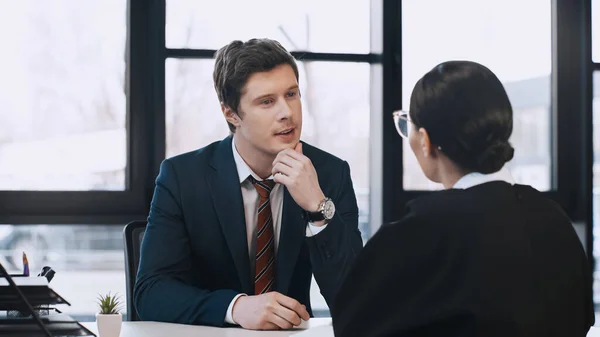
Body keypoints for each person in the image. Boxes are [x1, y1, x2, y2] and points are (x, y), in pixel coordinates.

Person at [331, 61, 594, 337]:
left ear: (425, 140)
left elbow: (352, 324)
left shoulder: (420, 231)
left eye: (408, 125)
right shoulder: (554, 219)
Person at [134, 38, 363, 330]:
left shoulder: (330, 173)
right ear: (231, 113)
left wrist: (318, 208)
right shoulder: (182, 177)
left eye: (291, 94)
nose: (287, 112)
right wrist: (236, 307)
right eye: (267, 101)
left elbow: (357, 302)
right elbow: (151, 292)